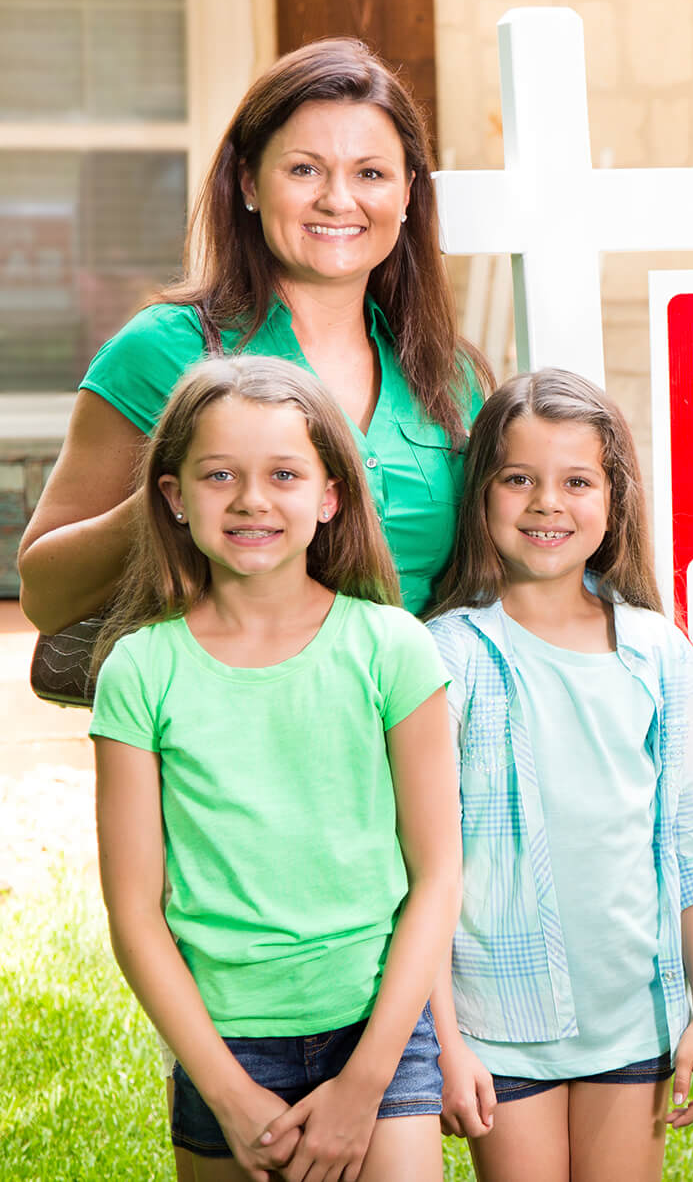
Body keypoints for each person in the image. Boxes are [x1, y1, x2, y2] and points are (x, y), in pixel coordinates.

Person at [90, 356, 460, 1181]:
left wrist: (365, 1082)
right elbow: (135, 912)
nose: (253, 499)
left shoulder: (394, 647)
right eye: (220, 474)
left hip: (378, 1031)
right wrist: (224, 1089)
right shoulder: (141, 671)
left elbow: (437, 876)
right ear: (175, 496)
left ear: (330, 495)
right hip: (224, 1039)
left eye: (284, 474)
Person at [19, 37, 489, 629]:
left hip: (422, 710)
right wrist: (192, 483)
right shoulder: (159, 350)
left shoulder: (448, 372)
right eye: (304, 169)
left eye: (370, 173)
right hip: (230, 709)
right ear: (248, 183)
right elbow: (46, 598)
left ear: (406, 195)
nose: (338, 199)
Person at [423, 369, 693, 1182]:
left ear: (613, 498)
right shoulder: (447, 655)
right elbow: (423, 870)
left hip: (635, 1015)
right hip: (499, 1018)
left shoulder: (657, 650)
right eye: (518, 478)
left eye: (576, 481)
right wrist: (447, 1044)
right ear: (482, 494)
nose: (546, 503)